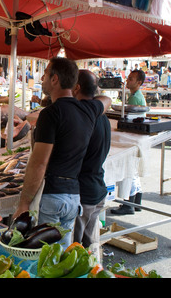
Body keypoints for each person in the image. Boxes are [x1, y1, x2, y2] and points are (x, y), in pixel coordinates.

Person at [12, 57, 111, 249]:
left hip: (52, 196)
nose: (42, 78)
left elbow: (39, 163)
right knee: (62, 256)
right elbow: (105, 100)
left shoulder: (51, 114)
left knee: (45, 256)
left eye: (46, 74)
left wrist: (23, 204)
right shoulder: (89, 110)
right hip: (74, 197)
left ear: (55, 79)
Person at [72, 70, 111, 257]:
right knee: (87, 249)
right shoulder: (101, 115)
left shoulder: (84, 117)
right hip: (96, 189)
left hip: (84, 194)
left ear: (77, 87)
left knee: (74, 251)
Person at [111, 69, 146, 215]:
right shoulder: (135, 95)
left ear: (139, 83)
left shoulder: (135, 99)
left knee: (129, 171)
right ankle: (136, 202)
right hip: (136, 138)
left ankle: (128, 205)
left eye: (131, 79)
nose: (128, 81)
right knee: (133, 171)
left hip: (132, 138)